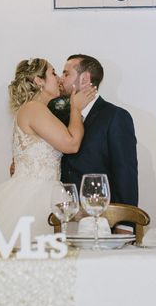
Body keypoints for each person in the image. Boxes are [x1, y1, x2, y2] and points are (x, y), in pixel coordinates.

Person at [0, 58, 96, 238]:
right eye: (53, 73)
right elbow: (72, 144)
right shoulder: (34, 109)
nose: (59, 79)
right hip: (35, 196)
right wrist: (76, 109)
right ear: (39, 81)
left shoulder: (35, 109)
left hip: (42, 191)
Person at [58, 54, 138, 207]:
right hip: (66, 215)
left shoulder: (115, 116)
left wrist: (125, 225)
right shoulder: (63, 117)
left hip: (102, 217)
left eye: (66, 73)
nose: (61, 79)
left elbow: (125, 174)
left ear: (84, 78)